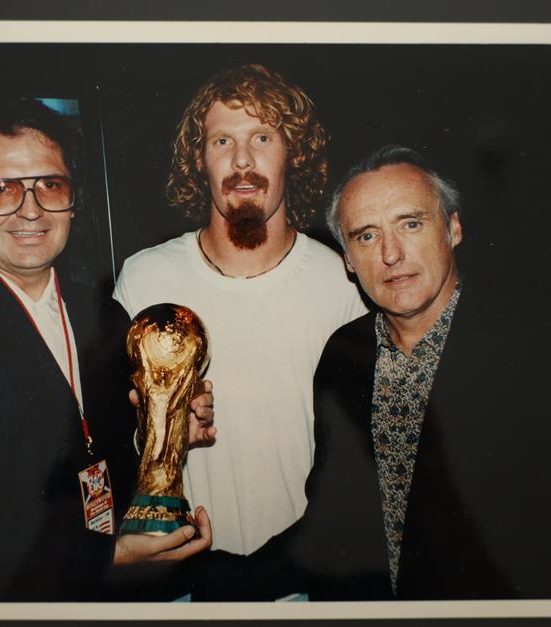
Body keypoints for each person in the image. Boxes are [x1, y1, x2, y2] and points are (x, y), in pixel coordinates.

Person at [202, 145, 551, 600]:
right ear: (347, 258)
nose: (390, 254)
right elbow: (334, 524)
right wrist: (210, 573)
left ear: (454, 229)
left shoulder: (531, 355)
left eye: (411, 224)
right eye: (365, 236)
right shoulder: (343, 355)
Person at [0, 99, 214, 602]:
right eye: (2, 189)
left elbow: (106, 451)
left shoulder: (105, 316)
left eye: (50, 185)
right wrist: (107, 555)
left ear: (72, 199)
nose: (30, 209)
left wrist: (166, 432)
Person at [112, 64, 367, 556]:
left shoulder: (343, 283)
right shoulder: (144, 280)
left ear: (295, 153)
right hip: (181, 574)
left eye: (263, 138)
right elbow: (110, 440)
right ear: (199, 159)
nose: (242, 160)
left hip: (306, 577)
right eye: (222, 141)